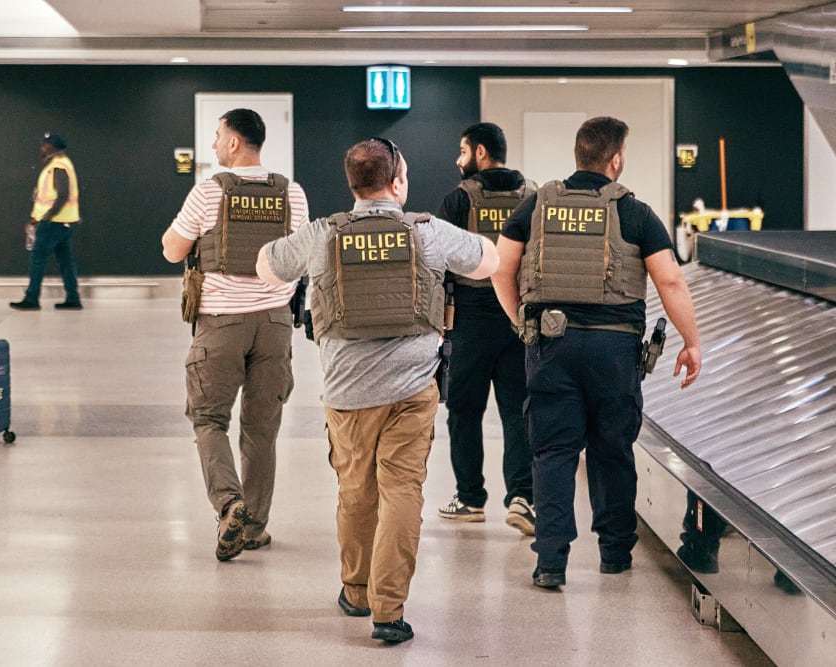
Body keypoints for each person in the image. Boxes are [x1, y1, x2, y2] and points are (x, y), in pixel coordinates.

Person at [256, 138, 498, 644]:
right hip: (413, 390)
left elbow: (267, 266)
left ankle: (356, 589)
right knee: (403, 493)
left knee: (355, 493)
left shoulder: (324, 234)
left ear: (353, 185)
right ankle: (389, 611)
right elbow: (488, 261)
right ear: (398, 182)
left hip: (346, 394)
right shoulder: (427, 233)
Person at [491, 116, 702, 589]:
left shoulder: (536, 206)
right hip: (614, 348)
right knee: (612, 450)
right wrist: (691, 342)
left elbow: (500, 269)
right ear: (616, 159)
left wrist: (519, 322)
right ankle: (613, 552)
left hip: (550, 344)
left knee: (552, 451)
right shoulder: (636, 212)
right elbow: (669, 280)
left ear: (578, 154)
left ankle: (550, 562)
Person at [161, 108, 309, 562]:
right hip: (276, 325)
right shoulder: (293, 194)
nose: (212, 145)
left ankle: (229, 505)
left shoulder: (208, 193)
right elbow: (299, 257)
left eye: (217, 136)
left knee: (208, 419)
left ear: (234, 143)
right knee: (261, 430)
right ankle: (255, 527)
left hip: (221, 324)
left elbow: (171, 250)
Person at [436, 122, 537, 534]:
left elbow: (438, 264)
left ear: (479, 153)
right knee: (518, 411)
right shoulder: (532, 196)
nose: (458, 160)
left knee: (464, 412)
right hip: (519, 320)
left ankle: (470, 499)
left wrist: (440, 326)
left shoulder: (459, 199)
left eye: (462, 151)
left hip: (470, 322)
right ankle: (522, 497)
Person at [10, 132, 83, 311]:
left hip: (54, 223)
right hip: (64, 222)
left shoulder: (58, 166)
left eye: (46, 144)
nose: (42, 147)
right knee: (66, 261)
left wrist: (46, 216)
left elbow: (63, 193)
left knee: (38, 259)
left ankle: (32, 298)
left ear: (54, 147)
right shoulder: (61, 164)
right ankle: (73, 298)